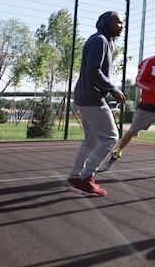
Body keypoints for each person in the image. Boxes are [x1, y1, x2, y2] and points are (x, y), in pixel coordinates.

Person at [100, 35, 155, 176]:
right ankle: (116, 153)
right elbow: (138, 82)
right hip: (147, 106)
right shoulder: (149, 62)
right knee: (132, 131)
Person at [66, 11, 126, 197]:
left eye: (123, 23)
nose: (122, 26)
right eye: (118, 22)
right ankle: (86, 178)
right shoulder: (100, 40)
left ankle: (75, 176)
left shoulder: (105, 41)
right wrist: (113, 89)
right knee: (110, 137)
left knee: (91, 139)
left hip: (84, 96)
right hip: (92, 98)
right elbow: (94, 71)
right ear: (107, 23)